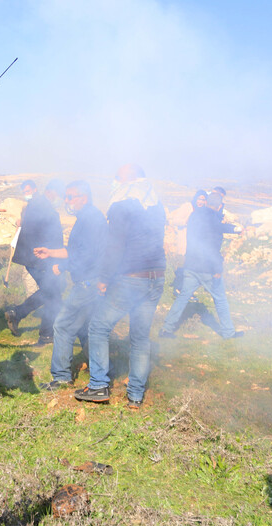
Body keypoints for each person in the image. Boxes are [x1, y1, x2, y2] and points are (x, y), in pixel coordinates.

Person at [80, 164, 166, 409]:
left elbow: (115, 245)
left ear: (129, 179)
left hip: (132, 277)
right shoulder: (155, 203)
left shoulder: (122, 203)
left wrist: (104, 277)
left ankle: (98, 385)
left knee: (98, 326)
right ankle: (136, 395)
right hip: (156, 276)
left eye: (117, 177)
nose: (114, 181)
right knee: (140, 338)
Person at [34, 181, 106, 389]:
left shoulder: (90, 220)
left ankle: (61, 376)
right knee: (86, 327)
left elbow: (85, 255)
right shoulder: (87, 217)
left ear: (83, 197)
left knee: (63, 325)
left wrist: (64, 265)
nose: (66, 201)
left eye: (70, 196)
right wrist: (51, 253)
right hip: (91, 281)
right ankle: (99, 368)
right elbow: (75, 249)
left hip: (87, 282)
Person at [159, 193, 243, 339]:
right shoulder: (212, 218)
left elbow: (219, 227)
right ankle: (229, 333)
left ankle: (166, 329)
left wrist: (234, 229)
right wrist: (217, 269)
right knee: (220, 299)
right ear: (219, 206)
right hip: (207, 268)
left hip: (191, 265)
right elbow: (212, 246)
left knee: (183, 297)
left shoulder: (195, 215)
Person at [5, 179, 66, 346]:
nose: (62, 199)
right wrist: (58, 258)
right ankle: (46, 336)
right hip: (41, 258)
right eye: (61, 195)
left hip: (32, 257)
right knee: (53, 295)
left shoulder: (35, 203)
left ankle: (17, 313)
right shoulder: (46, 208)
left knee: (52, 292)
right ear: (52, 191)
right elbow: (52, 238)